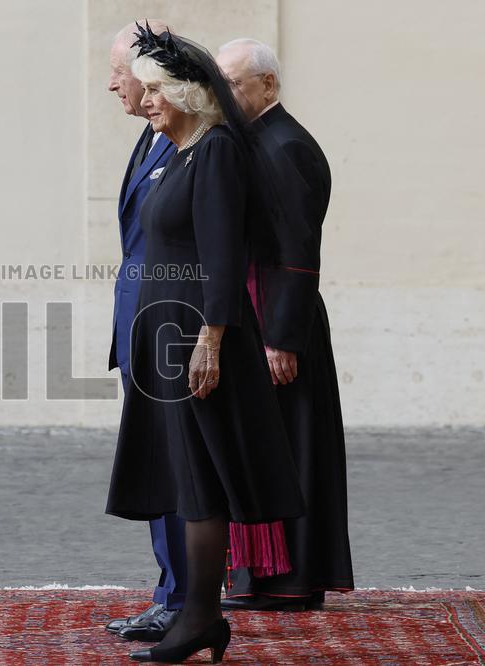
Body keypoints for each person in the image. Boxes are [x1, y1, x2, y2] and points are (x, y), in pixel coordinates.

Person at [106, 24, 304, 663]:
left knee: (201, 484)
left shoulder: (215, 150)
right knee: (189, 482)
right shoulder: (183, 151)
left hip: (194, 340)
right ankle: (198, 617)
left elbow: (223, 258)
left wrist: (210, 341)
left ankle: (198, 619)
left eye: (156, 90)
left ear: (188, 92)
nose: (146, 100)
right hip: (168, 336)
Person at [215, 38, 354, 611]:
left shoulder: (287, 146)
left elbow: (298, 253)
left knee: (291, 451)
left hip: (280, 325)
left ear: (268, 84)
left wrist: (280, 338)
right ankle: (263, 577)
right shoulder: (259, 139)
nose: (225, 95)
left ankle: (290, 581)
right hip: (262, 316)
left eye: (234, 83)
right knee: (266, 448)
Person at [102, 19, 187, 643]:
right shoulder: (149, 138)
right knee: (156, 465)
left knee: (174, 467)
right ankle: (171, 590)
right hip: (140, 323)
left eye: (118, 73)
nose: (113, 86)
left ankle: (182, 598)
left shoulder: (188, 141)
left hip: (169, 327)